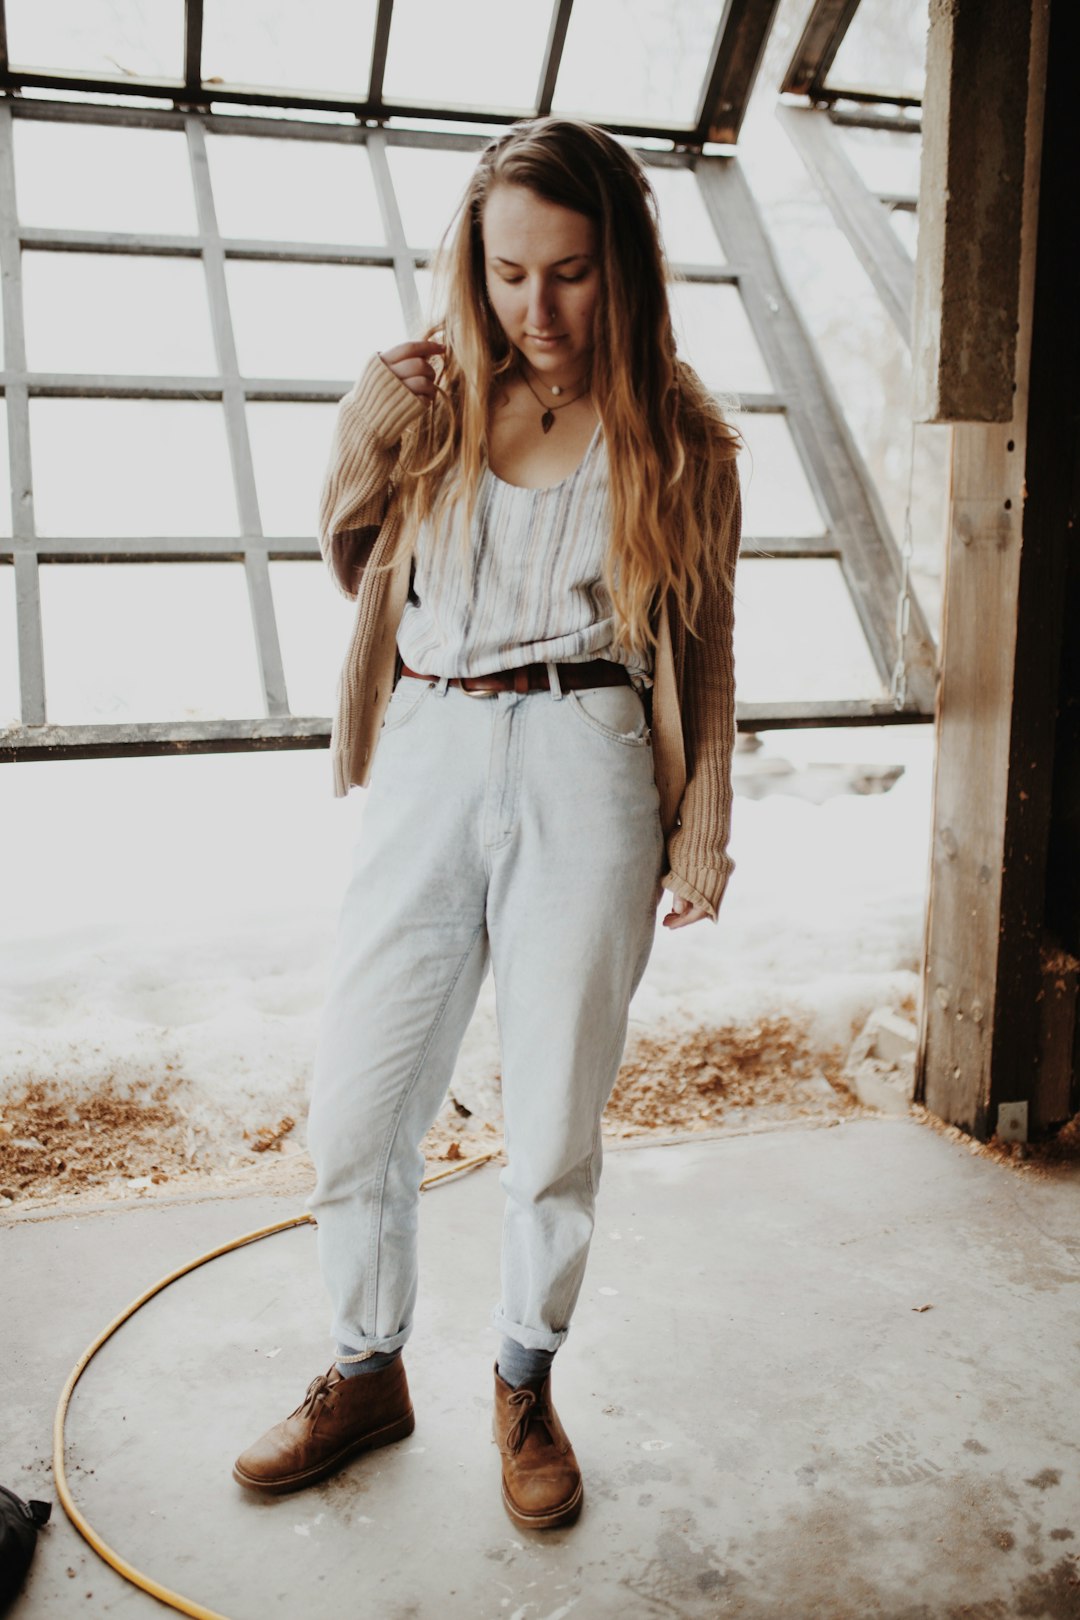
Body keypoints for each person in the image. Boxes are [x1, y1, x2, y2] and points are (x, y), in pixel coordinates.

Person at [232, 116, 742, 1530]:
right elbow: (353, 557)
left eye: (570, 274)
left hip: (590, 754)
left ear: (621, 267)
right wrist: (365, 416)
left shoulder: (680, 430)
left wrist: (701, 829)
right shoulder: (437, 391)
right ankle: (364, 1364)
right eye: (510, 273)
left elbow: (702, 648)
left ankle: (525, 1378)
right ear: (476, 263)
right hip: (433, 740)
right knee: (359, 1100)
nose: (537, 310)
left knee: (556, 1112)